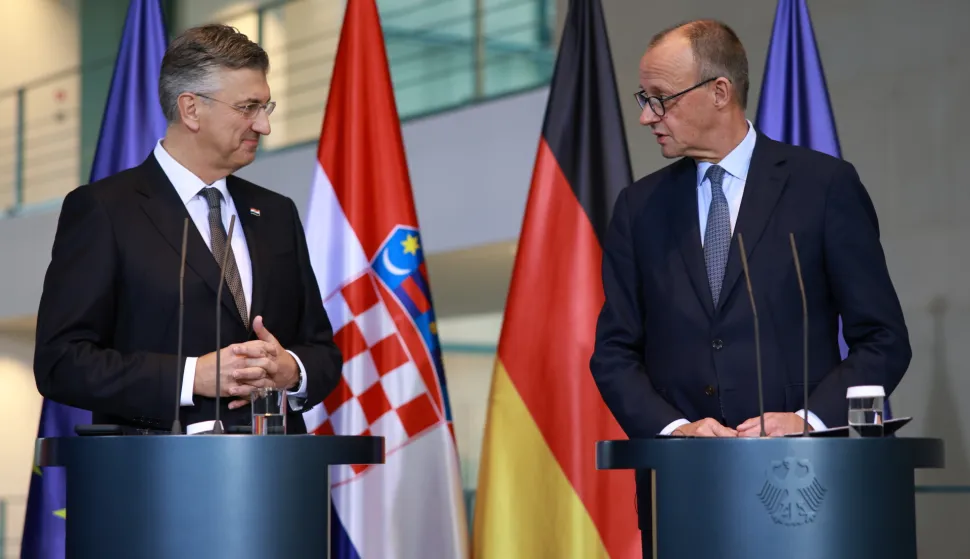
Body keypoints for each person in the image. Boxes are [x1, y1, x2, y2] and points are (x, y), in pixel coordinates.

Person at [589, 19, 910, 556]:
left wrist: (808, 421)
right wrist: (675, 429)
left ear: (720, 92)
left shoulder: (823, 187)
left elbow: (883, 339)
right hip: (683, 493)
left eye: (661, 99)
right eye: (645, 99)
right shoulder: (638, 209)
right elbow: (614, 352)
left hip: (807, 490)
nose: (647, 117)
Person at [33, 24, 342, 434]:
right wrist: (191, 376)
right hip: (157, 466)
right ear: (191, 109)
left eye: (265, 107)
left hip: (274, 465)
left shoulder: (276, 213)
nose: (263, 126)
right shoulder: (105, 210)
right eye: (247, 108)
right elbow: (61, 362)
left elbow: (322, 350)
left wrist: (291, 370)